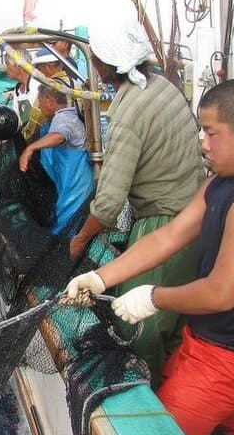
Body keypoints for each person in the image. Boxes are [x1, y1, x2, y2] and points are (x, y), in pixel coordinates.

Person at [65, 79, 234, 435]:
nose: (202, 143)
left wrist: (153, 297)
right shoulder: (222, 184)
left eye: (210, 132)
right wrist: (100, 277)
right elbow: (168, 236)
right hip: (205, 342)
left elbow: (222, 292)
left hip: (233, 360)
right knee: (209, 396)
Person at [69, 20, 205, 386]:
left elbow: (110, 203)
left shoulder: (128, 114)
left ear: (102, 66)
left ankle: (153, 403)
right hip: (198, 217)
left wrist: (80, 240)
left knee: (141, 327)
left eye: (94, 60)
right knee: (176, 325)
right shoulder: (163, 87)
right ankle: (180, 397)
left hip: (164, 224)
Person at [20, 84, 93, 234]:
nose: (38, 106)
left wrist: (30, 149)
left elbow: (59, 136)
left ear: (50, 101)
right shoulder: (63, 117)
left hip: (76, 189)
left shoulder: (64, 117)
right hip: (66, 186)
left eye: (40, 101)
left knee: (66, 228)